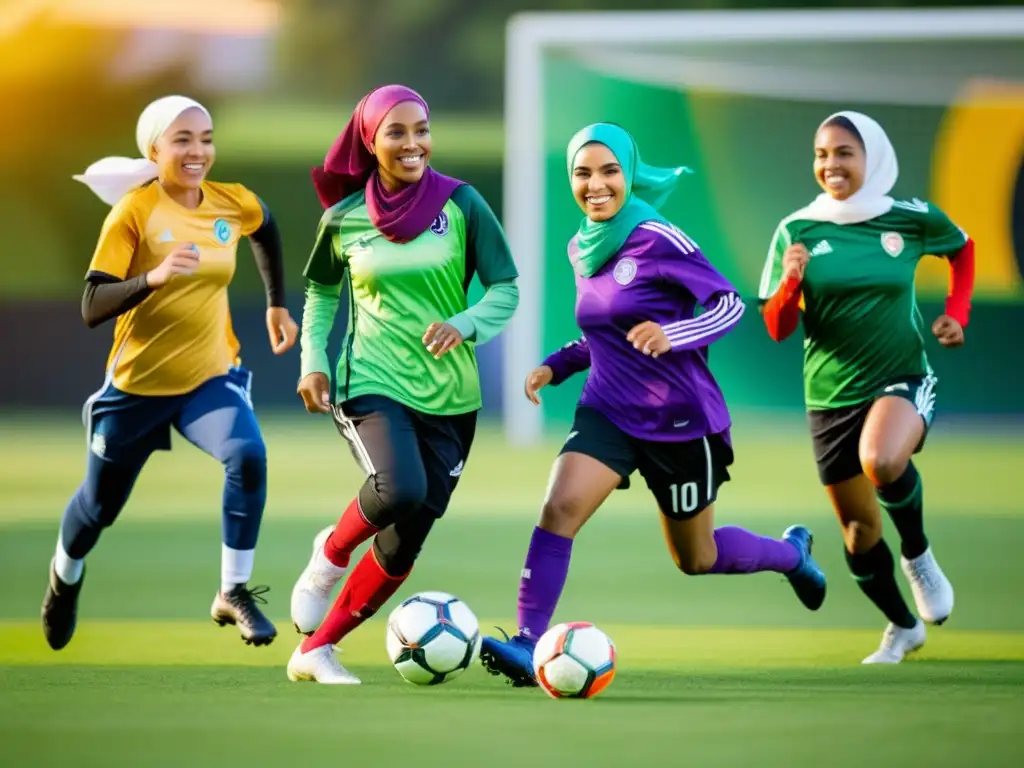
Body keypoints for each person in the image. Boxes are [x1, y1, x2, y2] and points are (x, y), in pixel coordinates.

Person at [479, 123, 827, 688]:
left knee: (697, 557)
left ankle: (791, 555)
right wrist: (556, 365)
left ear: (629, 174)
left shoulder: (659, 237)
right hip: (609, 410)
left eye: (609, 171)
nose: (596, 184)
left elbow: (730, 305)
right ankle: (526, 643)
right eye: (582, 173)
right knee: (559, 507)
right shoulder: (580, 246)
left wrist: (674, 333)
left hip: (680, 421)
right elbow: (603, 334)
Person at [42, 96, 299, 651]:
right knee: (97, 509)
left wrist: (277, 302)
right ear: (155, 148)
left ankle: (233, 590)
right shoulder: (133, 212)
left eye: (205, 138)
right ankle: (64, 576)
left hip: (209, 378)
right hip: (136, 390)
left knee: (247, 454)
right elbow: (91, 304)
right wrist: (152, 278)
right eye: (182, 139)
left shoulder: (230, 202)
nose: (197, 151)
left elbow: (266, 227)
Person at [286, 85, 520, 685]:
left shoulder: (463, 204)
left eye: (422, 129)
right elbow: (321, 294)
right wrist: (313, 359)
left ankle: (316, 650)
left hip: (453, 398)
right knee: (399, 488)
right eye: (396, 131)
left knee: (403, 541)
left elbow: (505, 289)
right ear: (370, 140)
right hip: (370, 379)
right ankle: (331, 554)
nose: (413, 143)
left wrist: (465, 322)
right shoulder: (342, 218)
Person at [757, 110, 975, 664]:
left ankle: (919, 556)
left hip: (901, 375)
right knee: (857, 531)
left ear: (871, 158)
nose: (830, 165)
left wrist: (958, 314)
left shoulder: (909, 217)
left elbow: (963, 249)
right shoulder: (796, 229)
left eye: (843, 153)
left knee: (881, 459)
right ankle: (902, 626)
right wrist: (789, 284)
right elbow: (778, 327)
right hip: (830, 396)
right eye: (821, 154)